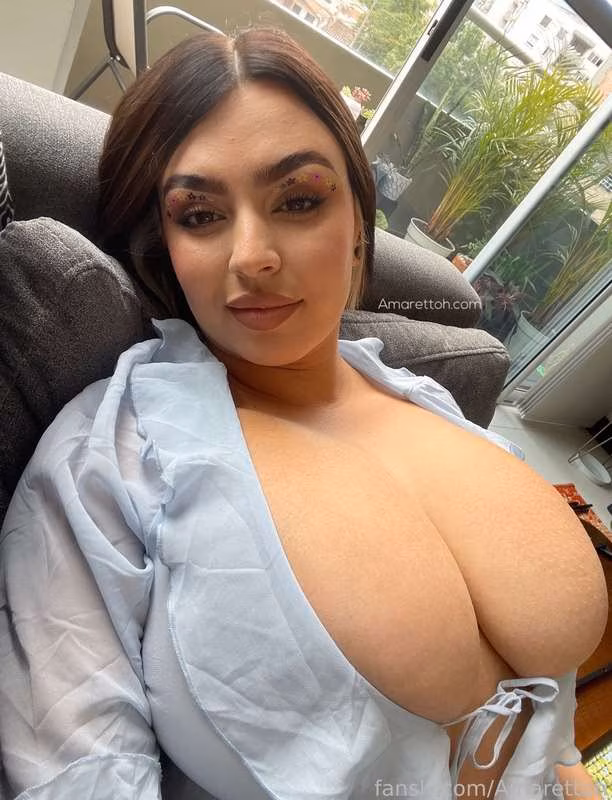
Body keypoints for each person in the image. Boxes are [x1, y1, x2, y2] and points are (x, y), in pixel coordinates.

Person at [0, 27, 607, 800]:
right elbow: (76, 774)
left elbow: (548, 733)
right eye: (199, 215)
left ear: (356, 221)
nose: (252, 255)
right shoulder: (111, 458)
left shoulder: (433, 397)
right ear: (163, 246)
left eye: (298, 199)